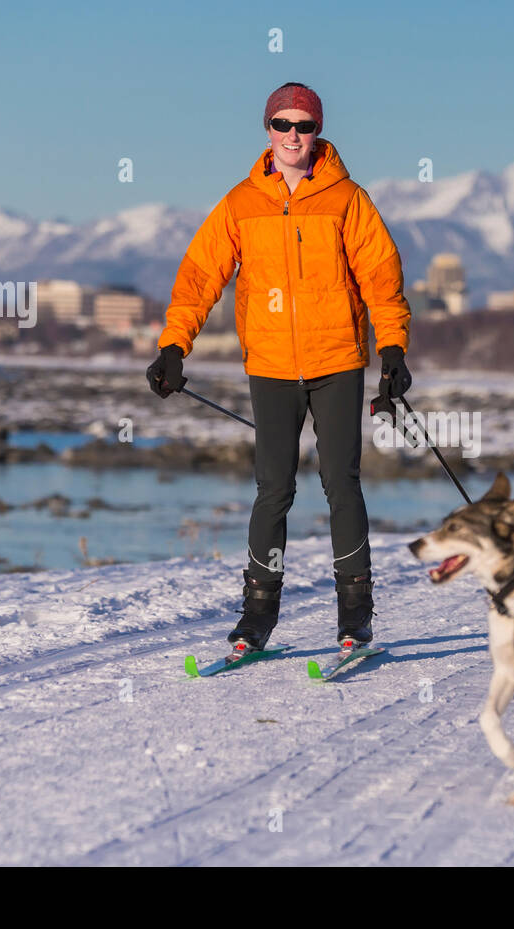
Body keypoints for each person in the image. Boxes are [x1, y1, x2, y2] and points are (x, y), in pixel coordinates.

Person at [146, 82, 412, 660]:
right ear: (267, 129)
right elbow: (199, 276)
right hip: (269, 366)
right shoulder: (241, 203)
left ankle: (355, 618)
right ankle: (257, 617)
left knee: (341, 484)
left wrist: (392, 351)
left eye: (304, 126)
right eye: (283, 124)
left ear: (317, 132)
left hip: (338, 361)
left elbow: (382, 279)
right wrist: (174, 346)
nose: (294, 136)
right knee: (274, 490)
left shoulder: (348, 199)